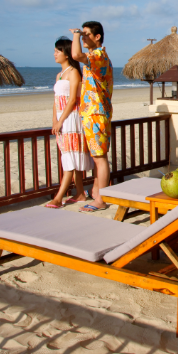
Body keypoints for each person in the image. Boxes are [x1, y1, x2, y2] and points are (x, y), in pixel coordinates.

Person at [70, 21, 113, 212]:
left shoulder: (98, 56)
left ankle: (101, 199)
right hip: (94, 112)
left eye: (86, 34)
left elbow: (75, 55)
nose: (83, 38)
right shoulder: (96, 56)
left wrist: (75, 34)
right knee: (98, 157)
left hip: (96, 113)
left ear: (97, 37)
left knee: (100, 158)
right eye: (82, 35)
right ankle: (97, 192)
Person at [46, 37, 91, 208]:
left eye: (57, 51)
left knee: (70, 157)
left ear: (66, 54)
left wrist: (61, 121)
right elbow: (56, 100)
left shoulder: (73, 73)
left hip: (71, 118)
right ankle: (80, 194)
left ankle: (58, 198)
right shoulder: (60, 75)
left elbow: (72, 100)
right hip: (62, 118)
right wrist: (55, 120)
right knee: (70, 155)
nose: (54, 54)